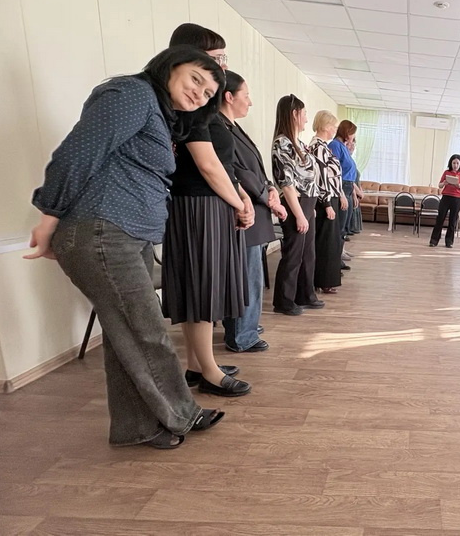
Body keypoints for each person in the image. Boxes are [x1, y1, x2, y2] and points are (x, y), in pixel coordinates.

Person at [26, 46, 228, 448]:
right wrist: (49, 217)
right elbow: (78, 153)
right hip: (104, 230)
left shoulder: (158, 111)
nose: (200, 94)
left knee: (126, 336)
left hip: (124, 234)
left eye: (208, 93)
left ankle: (139, 428)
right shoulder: (132, 94)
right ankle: (182, 414)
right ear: (170, 66)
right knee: (146, 332)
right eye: (196, 79)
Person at [162, 24, 252, 397]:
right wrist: (240, 202)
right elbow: (209, 166)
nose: (222, 66)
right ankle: (209, 371)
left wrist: (240, 196)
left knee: (200, 288)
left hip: (206, 204)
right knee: (201, 290)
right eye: (216, 58)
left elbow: (224, 167)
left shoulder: (204, 106)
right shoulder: (193, 107)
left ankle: (197, 365)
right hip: (198, 206)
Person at [219, 71, 287, 353]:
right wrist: (268, 198)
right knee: (247, 278)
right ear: (229, 96)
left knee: (250, 275)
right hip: (244, 213)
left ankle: (245, 325)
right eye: (246, 96)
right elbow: (237, 172)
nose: (250, 102)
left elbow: (256, 168)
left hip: (256, 209)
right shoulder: (219, 128)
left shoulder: (233, 127)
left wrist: (270, 188)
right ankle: (242, 335)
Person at [272, 94, 324, 316]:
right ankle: (284, 300)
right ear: (294, 114)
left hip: (307, 203)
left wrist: (310, 208)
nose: (306, 119)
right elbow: (287, 184)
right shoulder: (282, 144)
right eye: (304, 114)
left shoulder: (300, 144)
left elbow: (308, 178)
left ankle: (305, 294)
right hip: (295, 203)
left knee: (308, 253)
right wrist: (300, 214)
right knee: (294, 253)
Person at [309, 110, 344, 294]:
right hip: (326, 201)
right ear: (325, 126)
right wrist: (327, 204)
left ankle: (324, 280)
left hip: (331, 198)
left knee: (331, 242)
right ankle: (322, 280)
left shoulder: (323, 146)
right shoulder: (318, 147)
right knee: (326, 243)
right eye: (333, 127)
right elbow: (321, 178)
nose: (335, 130)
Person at [429, 154, 460, 248]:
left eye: (457, 163)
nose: (455, 165)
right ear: (451, 163)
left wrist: (459, 185)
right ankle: (434, 241)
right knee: (440, 219)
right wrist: (444, 183)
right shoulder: (446, 172)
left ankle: (449, 242)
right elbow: (440, 185)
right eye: (454, 163)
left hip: (457, 199)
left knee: (453, 221)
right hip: (446, 198)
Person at [330, 120, 358, 242]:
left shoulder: (343, 146)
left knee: (345, 222)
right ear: (346, 132)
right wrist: (341, 193)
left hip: (348, 187)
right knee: (340, 223)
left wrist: (353, 192)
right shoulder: (335, 145)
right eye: (352, 134)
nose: (353, 137)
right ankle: (337, 249)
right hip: (342, 186)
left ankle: (341, 247)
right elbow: (333, 171)